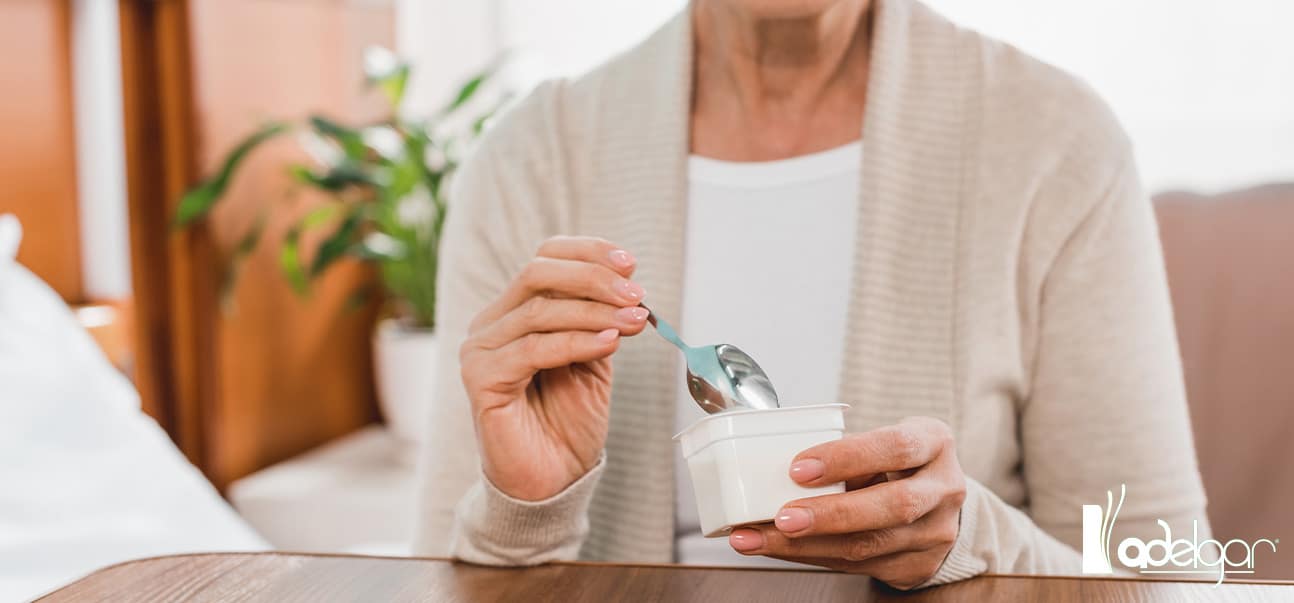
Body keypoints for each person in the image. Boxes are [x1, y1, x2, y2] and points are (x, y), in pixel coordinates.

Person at [413, 0, 1210, 589]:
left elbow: (1166, 579)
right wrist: (526, 512)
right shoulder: (530, 161)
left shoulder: (1056, 145)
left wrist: (965, 545)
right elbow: (436, 582)